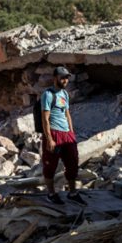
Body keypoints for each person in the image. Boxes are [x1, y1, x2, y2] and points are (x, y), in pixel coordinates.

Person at [40, 66, 84, 205]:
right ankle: (51, 194)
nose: (65, 80)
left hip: (66, 135)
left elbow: (67, 114)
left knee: (73, 163)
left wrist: (71, 132)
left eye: (67, 78)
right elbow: (45, 118)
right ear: (55, 78)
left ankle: (73, 193)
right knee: (50, 165)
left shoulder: (64, 94)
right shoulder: (48, 94)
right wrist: (49, 139)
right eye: (62, 77)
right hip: (53, 133)